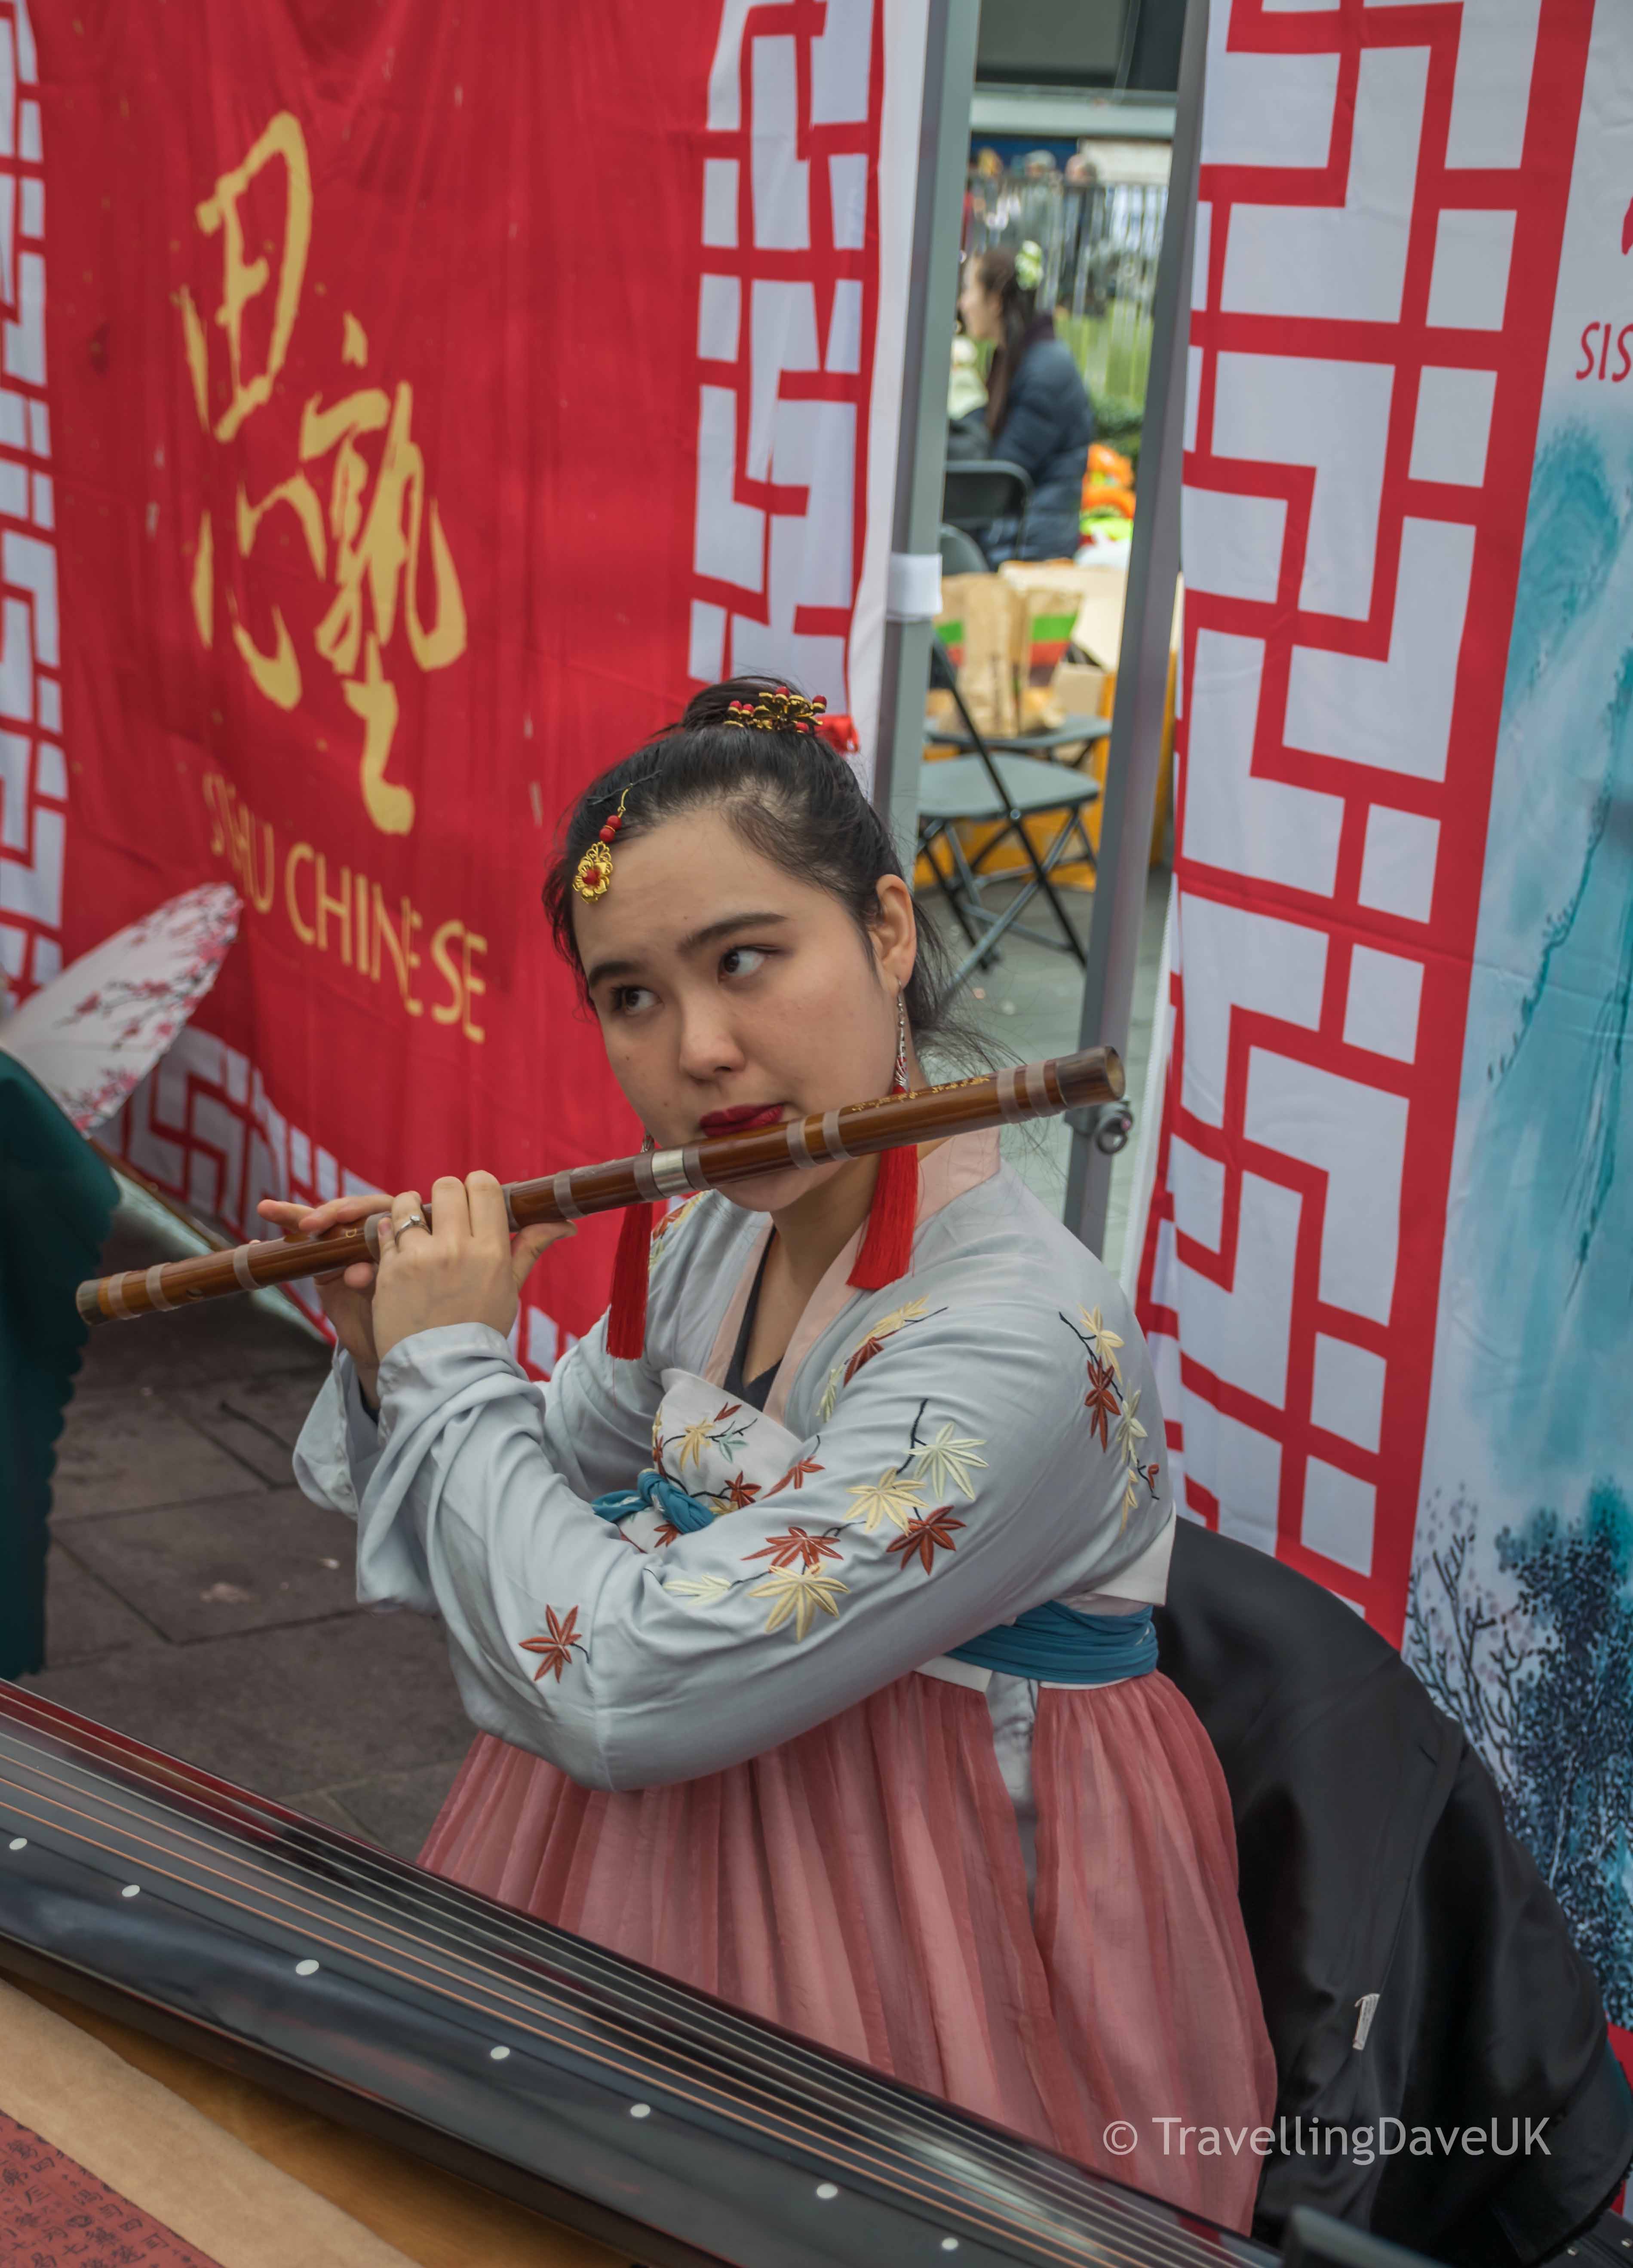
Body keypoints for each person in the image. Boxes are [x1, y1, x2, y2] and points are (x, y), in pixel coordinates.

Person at [272, 677, 1275, 2231]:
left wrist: (453, 1358)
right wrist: (385, 1340)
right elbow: (531, 1505)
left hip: (943, 1919)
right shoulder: (701, 1243)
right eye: (633, 996)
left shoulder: (1017, 1338)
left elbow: (617, 1676)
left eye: (746, 960)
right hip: (670, 1834)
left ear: (885, 929)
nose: (702, 1050)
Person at [956, 241, 1094, 564]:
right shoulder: (1016, 357)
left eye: (969, 291)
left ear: (995, 302)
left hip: (1029, 545)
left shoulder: (1047, 370)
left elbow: (1003, 471)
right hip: (1013, 533)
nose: (962, 304)